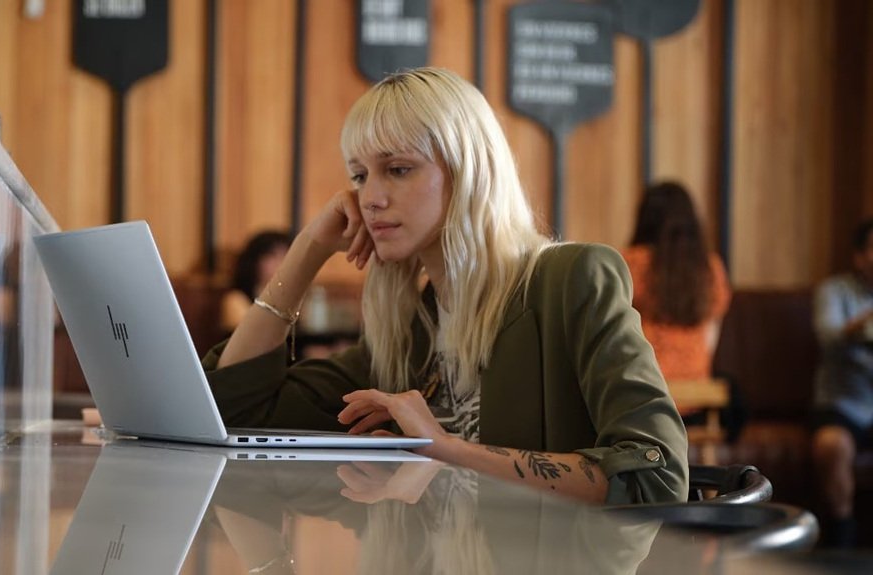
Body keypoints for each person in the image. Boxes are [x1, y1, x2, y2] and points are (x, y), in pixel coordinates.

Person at [202, 67, 688, 505]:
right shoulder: (410, 330)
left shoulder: (569, 281)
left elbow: (657, 474)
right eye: (358, 175)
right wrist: (309, 247)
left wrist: (446, 450)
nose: (369, 198)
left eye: (397, 169)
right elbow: (235, 412)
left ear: (468, 172)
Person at [620, 183, 742, 439]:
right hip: (698, 400)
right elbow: (710, 339)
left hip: (645, 397)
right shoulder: (710, 268)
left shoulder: (629, 264)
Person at [811, 218, 873, 548]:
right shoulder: (833, 291)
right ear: (860, 256)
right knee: (832, 446)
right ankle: (841, 549)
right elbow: (828, 337)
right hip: (841, 405)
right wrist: (861, 324)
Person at [220, 231, 292, 333]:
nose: (281, 261)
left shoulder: (292, 298)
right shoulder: (235, 300)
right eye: (273, 255)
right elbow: (250, 336)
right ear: (255, 261)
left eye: (286, 255)